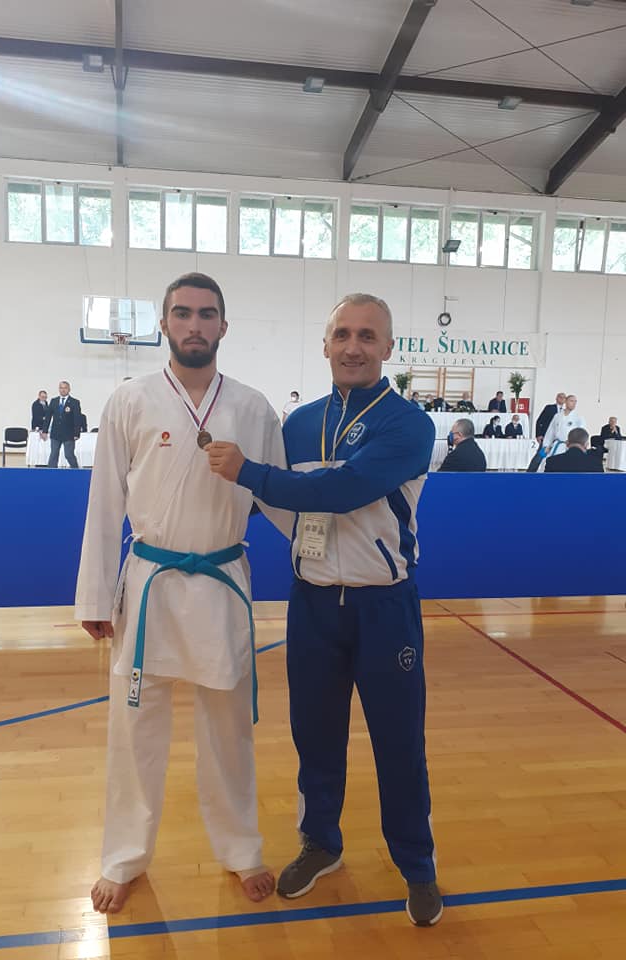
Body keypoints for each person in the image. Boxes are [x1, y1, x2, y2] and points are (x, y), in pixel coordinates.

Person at [207, 293, 443, 927]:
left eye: (367, 335)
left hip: (384, 606)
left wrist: (248, 471)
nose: (353, 346)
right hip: (312, 602)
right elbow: (282, 504)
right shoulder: (299, 424)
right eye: (342, 334)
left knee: (399, 741)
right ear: (325, 344)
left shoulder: (408, 424)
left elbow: (342, 489)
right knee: (314, 734)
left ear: (387, 347)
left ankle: (417, 865)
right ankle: (321, 843)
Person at [75, 272, 290, 916]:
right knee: (134, 730)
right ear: (165, 323)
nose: (195, 325)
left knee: (229, 730)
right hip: (151, 583)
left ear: (224, 325)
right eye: (183, 313)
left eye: (206, 314)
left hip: (222, 580)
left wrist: (332, 547)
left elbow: (281, 496)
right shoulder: (130, 399)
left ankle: (241, 849)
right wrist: (93, 597)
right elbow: (105, 500)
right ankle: (124, 857)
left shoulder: (253, 407)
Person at [41, 381, 82, 468]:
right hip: (55, 433)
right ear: (59, 389)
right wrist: (44, 431)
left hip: (69, 434)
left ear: (69, 389)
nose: (63, 390)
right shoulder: (54, 401)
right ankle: (51, 473)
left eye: (65, 388)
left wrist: (77, 433)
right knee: (53, 455)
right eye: (61, 388)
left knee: (69, 454)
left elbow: (77, 419)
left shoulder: (74, 402)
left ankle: (76, 470)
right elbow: (48, 417)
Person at [542, 395, 587, 459]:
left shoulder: (578, 417)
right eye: (571, 401)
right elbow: (550, 431)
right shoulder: (557, 416)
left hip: (569, 447)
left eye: (575, 401)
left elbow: (582, 433)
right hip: (557, 446)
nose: (574, 403)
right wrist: (546, 445)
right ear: (565, 401)